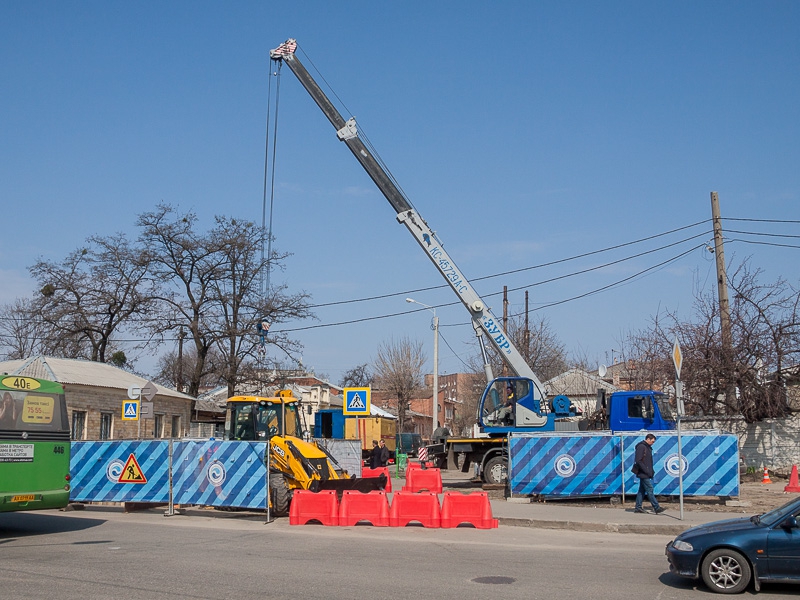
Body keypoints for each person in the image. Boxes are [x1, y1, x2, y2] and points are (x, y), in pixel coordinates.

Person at [633, 433, 666, 514]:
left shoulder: (647, 447)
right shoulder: (642, 447)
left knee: (642, 490)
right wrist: (647, 471)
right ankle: (656, 507)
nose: (653, 443)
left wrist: (651, 471)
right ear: (648, 439)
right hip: (643, 473)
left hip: (645, 472)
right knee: (650, 489)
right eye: (652, 441)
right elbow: (639, 461)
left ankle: (638, 507)